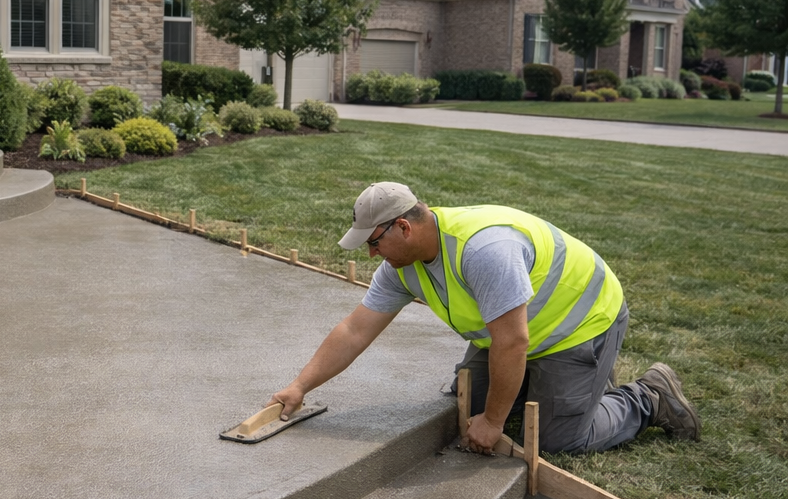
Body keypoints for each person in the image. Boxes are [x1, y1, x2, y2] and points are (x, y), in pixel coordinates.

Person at [267, 181, 699, 454]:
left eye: (374, 242)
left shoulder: (482, 251)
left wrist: (494, 422)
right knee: (465, 400)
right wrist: (300, 386)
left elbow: (512, 342)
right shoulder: (402, 267)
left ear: (403, 227)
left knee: (555, 439)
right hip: (516, 330)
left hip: (578, 322)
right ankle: (570, 389)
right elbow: (355, 330)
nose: (371, 253)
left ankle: (648, 397)